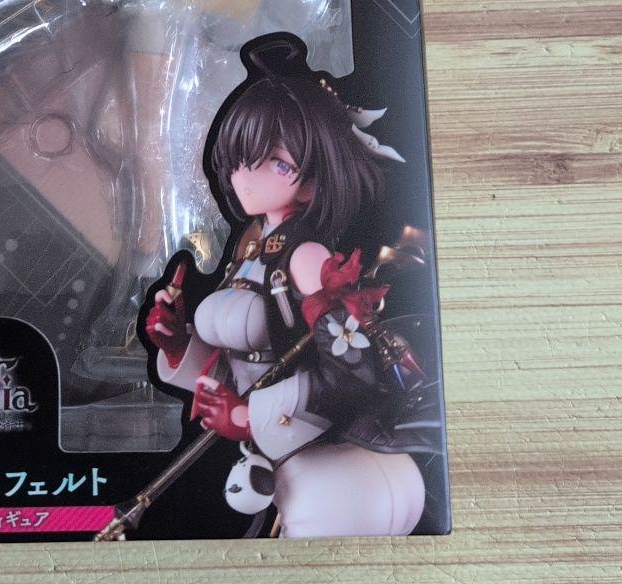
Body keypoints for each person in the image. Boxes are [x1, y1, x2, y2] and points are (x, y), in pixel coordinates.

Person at [143, 33, 426, 537]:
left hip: (334, 471)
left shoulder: (306, 257)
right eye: (242, 158)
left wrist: (250, 417)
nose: (246, 177)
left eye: (276, 163)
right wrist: (179, 345)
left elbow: (350, 373)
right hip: (281, 458)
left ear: (314, 179)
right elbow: (247, 364)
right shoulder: (251, 250)